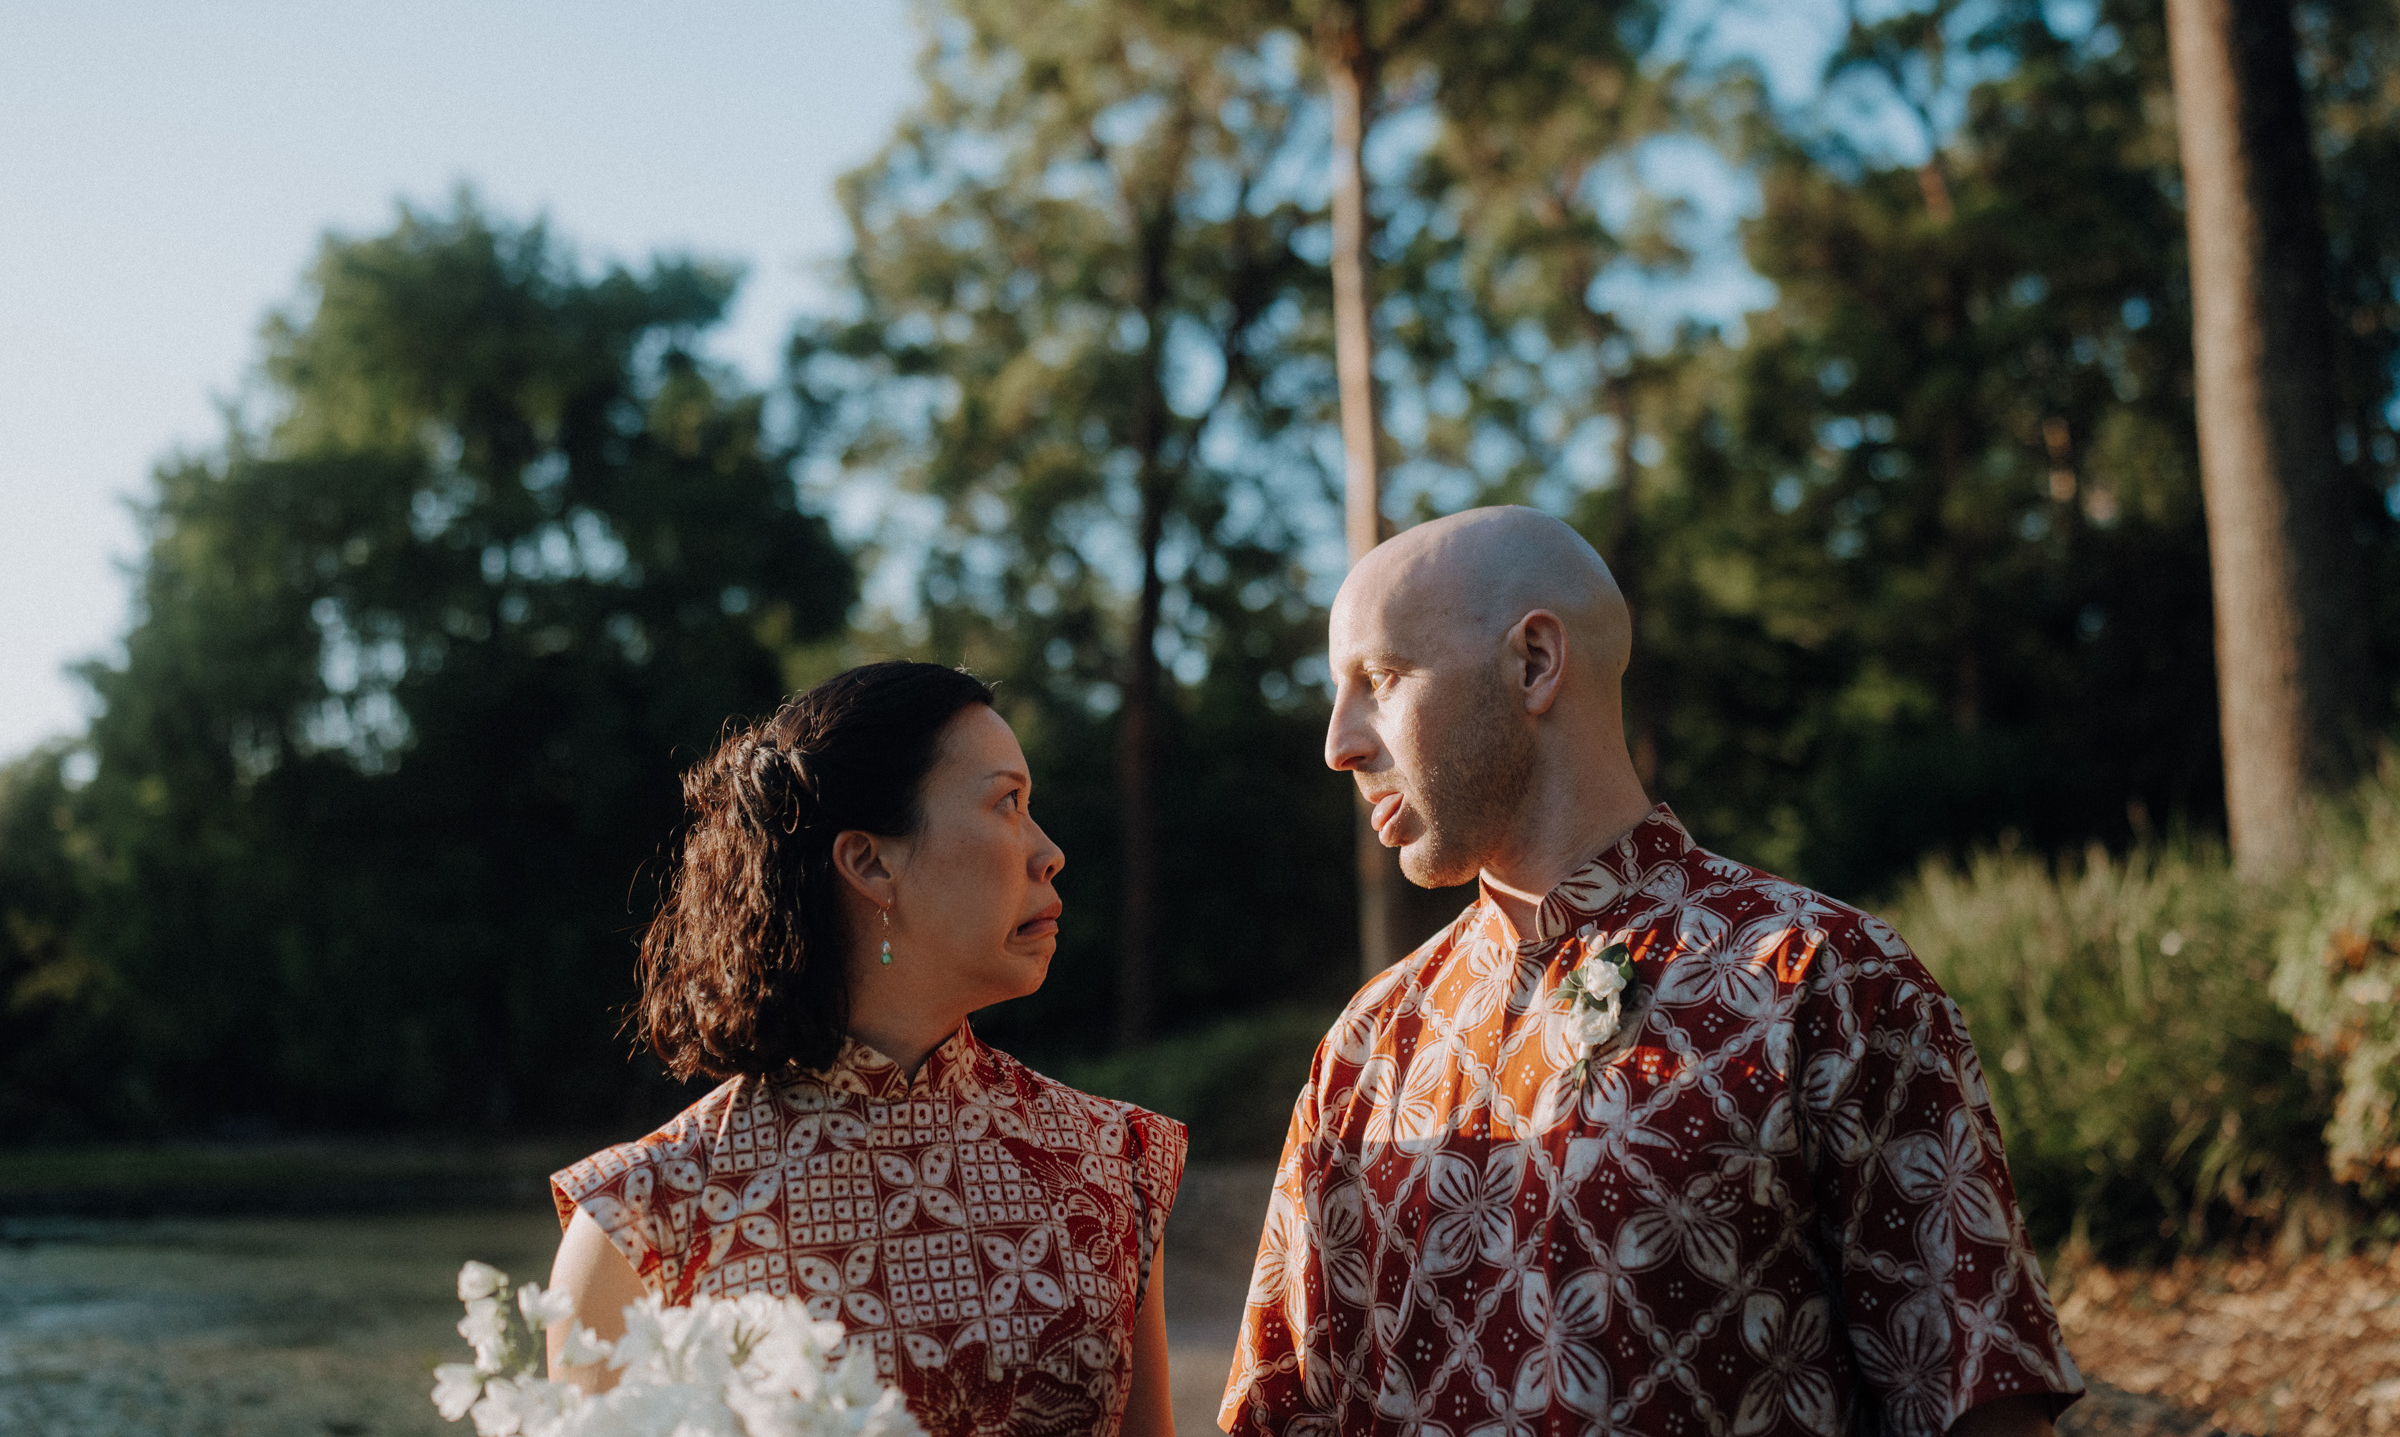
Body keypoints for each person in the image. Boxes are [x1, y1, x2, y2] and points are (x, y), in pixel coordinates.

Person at [1218, 508, 2082, 1437]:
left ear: (1534, 664)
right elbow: (1284, 1412)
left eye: (1379, 680)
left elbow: (1976, 1403)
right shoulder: (1363, 1049)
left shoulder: (1829, 984)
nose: (1338, 743)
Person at [547, 661, 1185, 1437]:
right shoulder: (646, 1219)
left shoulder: (1109, 1162)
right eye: (1006, 803)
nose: (1048, 851)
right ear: (870, 861)